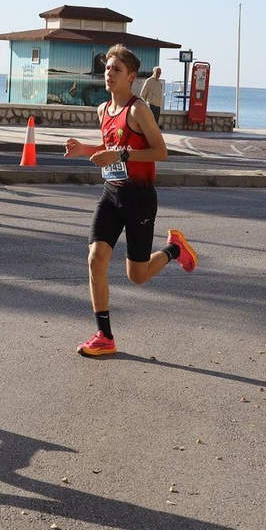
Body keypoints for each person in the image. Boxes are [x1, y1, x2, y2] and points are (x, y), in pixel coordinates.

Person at [63, 44, 197, 358]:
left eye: (116, 70)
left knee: (137, 276)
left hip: (139, 198)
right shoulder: (101, 110)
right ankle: (104, 335)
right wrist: (84, 149)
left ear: (131, 76)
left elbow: (160, 152)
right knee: (96, 257)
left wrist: (121, 154)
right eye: (107, 68)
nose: (109, 74)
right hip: (111, 193)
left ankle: (175, 248)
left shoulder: (138, 110)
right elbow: (109, 145)